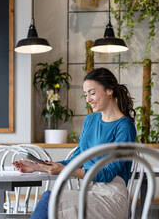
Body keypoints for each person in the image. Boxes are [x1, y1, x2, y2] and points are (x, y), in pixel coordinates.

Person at [13, 67, 136, 219]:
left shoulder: (125, 126)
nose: (88, 99)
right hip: (88, 191)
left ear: (109, 90)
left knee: (50, 200)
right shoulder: (91, 120)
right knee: (49, 200)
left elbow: (108, 173)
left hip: (111, 197)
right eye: (85, 94)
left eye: (92, 92)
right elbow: (77, 159)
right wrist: (38, 167)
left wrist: (65, 170)